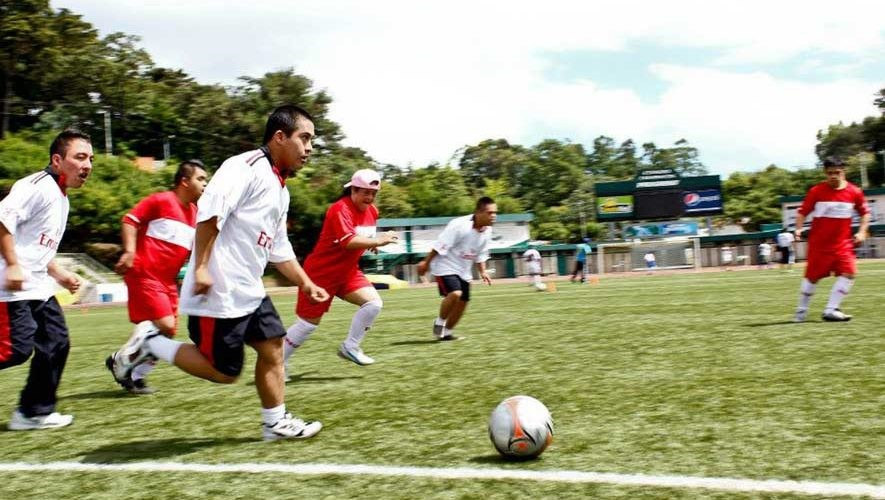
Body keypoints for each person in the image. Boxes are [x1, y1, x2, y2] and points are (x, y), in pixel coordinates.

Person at [109, 105, 330, 441]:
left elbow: (277, 248)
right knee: (224, 372)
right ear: (280, 137)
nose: (310, 148)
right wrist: (200, 269)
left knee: (272, 346)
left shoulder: (280, 189)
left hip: (249, 289)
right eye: (305, 138)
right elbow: (210, 216)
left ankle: (275, 423)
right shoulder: (243, 167)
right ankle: (153, 343)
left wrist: (306, 282)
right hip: (220, 290)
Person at [0, 129, 92, 430]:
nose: (88, 165)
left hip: (38, 285)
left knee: (57, 342)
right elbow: (3, 219)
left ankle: (33, 412)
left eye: (90, 158)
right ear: (57, 159)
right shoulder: (36, 186)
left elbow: (37, 244)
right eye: (80, 157)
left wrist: (60, 273)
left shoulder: (62, 198)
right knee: (14, 350)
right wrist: (12, 264)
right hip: (10, 285)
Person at [105, 160, 209, 394]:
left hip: (168, 281)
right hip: (145, 273)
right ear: (184, 181)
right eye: (200, 179)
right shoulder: (161, 200)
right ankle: (121, 359)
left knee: (168, 333)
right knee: (164, 324)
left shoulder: (195, 213)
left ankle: (135, 376)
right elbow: (130, 220)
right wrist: (130, 251)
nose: (205, 183)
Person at [282, 169, 398, 369]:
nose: (370, 197)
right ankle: (277, 363)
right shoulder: (339, 209)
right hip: (321, 273)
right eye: (365, 192)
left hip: (347, 272)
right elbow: (348, 241)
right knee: (308, 324)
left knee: (373, 304)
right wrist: (378, 241)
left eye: (373, 193)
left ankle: (350, 347)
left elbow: (359, 235)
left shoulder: (373, 212)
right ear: (353, 189)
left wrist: (371, 243)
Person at [793, 157, 870, 322]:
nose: (834, 176)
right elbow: (802, 212)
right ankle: (801, 311)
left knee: (849, 273)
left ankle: (831, 309)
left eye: (837, 172)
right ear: (825, 173)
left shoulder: (854, 192)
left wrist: (862, 232)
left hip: (842, 244)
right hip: (819, 245)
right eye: (830, 173)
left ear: (844, 172)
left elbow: (865, 213)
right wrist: (798, 228)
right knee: (812, 278)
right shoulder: (816, 191)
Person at [416, 197, 497, 341]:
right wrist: (426, 263)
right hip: (445, 265)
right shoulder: (459, 225)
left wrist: (483, 271)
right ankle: (439, 323)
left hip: (463, 270)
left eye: (495, 213)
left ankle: (446, 332)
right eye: (490, 213)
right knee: (456, 293)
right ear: (478, 212)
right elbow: (441, 245)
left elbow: (482, 253)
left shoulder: (488, 231)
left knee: (463, 302)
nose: (494, 216)